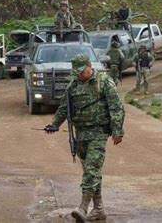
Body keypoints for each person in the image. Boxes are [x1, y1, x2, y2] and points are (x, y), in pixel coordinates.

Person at [45, 54, 124, 222]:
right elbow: (64, 108)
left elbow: (116, 107)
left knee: (91, 170)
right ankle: (99, 209)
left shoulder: (103, 82)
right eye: (77, 72)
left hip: (98, 133)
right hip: (81, 134)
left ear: (89, 66)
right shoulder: (72, 86)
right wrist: (55, 124)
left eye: (82, 71)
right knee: (92, 171)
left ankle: (83, 207)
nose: (80, 75)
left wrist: (118, 130)